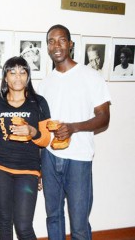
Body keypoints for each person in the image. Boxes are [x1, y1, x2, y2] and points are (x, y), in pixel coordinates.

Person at [38, 24, 111, 240]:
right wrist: (38, 165)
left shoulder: (91, 77)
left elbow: (104, 117)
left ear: (70, 44)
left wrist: (73, 128)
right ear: (47, 47)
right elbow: (42, 128)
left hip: (79, 158)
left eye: (61, 40)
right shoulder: (45, 84)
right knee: (53, 217)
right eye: (51, 41)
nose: (56, 45)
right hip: (50, 157)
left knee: (79, 224)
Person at [0, 56, 51, 240]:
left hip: (28, 170)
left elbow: (46, 139)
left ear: (28, 76)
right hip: (0, 167)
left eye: (23, 72)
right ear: (5, 77)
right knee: (4, 221)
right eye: (12, 72)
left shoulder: (39, 103)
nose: (18, 77)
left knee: (24, 226)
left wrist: (32, 131)